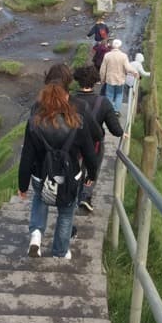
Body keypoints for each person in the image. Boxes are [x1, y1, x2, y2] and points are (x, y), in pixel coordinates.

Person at [18, 82, 97, 259]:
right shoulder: (77, 122)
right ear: (66, 100)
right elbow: (90, 154)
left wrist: (22, 186)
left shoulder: (33, 123)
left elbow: (26, 157)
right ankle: (60, 252)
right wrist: (92, 175)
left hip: (41, 175)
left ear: (44, 101)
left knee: (40, 199)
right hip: (70, 177)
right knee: (66, 212)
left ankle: (36, 235)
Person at [72, 64, 124, 212]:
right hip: (94, 144)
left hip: (72, 142)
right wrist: (122, 133)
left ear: (77, 80)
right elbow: (115, 129)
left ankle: (74, 195)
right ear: (95, 81)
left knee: (75, 169)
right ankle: (86, 195)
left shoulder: (70, 100)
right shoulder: (103, 102)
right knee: (92, 169)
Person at [99, 39, 139, 114]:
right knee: (119, 95)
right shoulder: (124, 56)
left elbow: (103, 69)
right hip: (120, 80)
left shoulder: (107, 55)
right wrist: (135, 72)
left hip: (110, 79)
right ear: (120, 46)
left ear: (112, 46)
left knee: (109, 95)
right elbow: (128, 67)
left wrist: (102, 79)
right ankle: (116, 111)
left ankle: (109, 111)